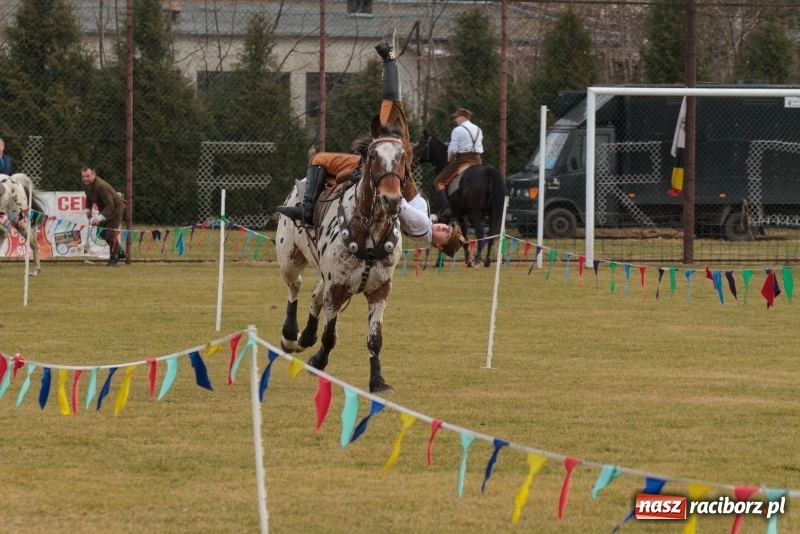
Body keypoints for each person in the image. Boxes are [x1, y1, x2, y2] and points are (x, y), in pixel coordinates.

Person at [276, 33, 465, 258]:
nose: (445, 228)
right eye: (449, 228)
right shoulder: (423, 226)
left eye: (446, 234)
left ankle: (307, 210)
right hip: (395, 173)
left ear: (439, 246)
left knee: (322, 157)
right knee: (392, 109)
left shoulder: (421, 226)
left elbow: (398, 202)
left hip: (392, 174)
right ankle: (390, 61)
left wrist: (381, 168)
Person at [433, 108, 484, 219]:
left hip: (463, 160)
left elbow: (453, 149)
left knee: (439, 181)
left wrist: (449, 158)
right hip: (477, 160)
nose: (455, 120)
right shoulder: (478, 129)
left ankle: (447, 208)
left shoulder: (458, 130)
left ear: (463, 117)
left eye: (456, 117)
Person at [81, 166, 126, 267]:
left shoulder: (101, 186)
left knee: (111, 233)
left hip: (115, 209)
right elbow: (88, 195)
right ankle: (120, 251)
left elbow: (110, 205)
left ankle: (113, 260)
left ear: (93, 175)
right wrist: (88, 209)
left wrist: (99, 218)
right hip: (105, 208)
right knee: (101, 232)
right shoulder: (85, 183)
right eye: (83, 176)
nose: (85, 179)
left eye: (87, 176)